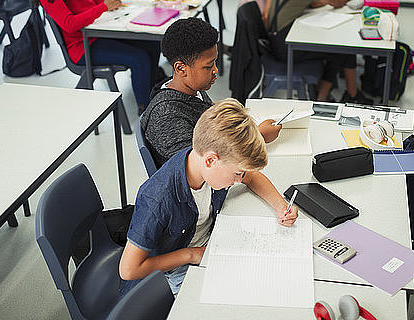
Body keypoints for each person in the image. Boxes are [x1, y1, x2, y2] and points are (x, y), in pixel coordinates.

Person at [120, 98, 298, 295]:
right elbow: (128, 270)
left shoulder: (208, 165)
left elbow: (251, 176)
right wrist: (190, 255)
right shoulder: (157, 199)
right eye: (237, 173)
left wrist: (281, 206)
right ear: (211, 160)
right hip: (175, 271)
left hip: (212, 243)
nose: (239, 179)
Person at [29, 0, 161, 113]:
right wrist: (103, 7)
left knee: (152, 44)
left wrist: (105, 1)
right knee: (139, 58)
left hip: (97, 35)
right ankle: (145, 109)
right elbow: (70, 24)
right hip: (82, 48)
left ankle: (151, 90)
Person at [141, 17, 281, 168]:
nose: (216, 70)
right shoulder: (167, 117)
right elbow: (203, 168)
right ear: (181, 68)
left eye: (214, 62)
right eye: (208, 67)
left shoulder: (191, 88)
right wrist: (257, 137)